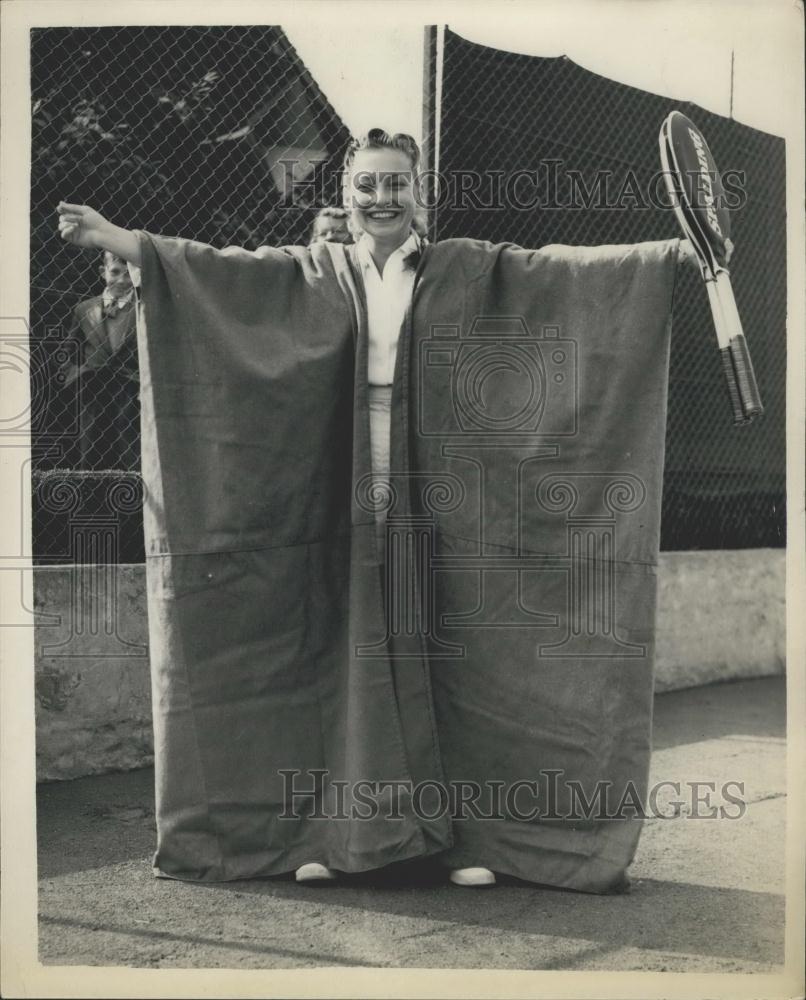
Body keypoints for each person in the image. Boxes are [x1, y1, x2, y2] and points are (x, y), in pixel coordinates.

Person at [57, 128, 692, 894]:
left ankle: (475, 841)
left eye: (396, 184)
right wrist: (124, 242)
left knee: (467, 656)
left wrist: (663, 258)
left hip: (451, 486)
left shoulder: (466, 267)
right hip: (335, 480)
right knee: (335, 654)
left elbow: (561, 275)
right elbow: (218, 275)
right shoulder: (314, 273)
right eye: (366, 185)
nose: (381, 198)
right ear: (347, 197)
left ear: (418, 193)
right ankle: (335, 833)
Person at [58, 251, 140, 470]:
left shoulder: (144, 310)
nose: (122, 280)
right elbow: (69, 352)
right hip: (92, 391)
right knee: (90, 452)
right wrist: (78, 380)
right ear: (103, 272)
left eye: (128, 273)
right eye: (115, 272)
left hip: (131, 392)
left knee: (131, 453)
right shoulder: (84, 309)